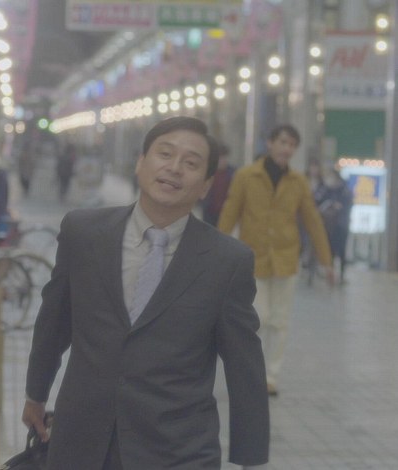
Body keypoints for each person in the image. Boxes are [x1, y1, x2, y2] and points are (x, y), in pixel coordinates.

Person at [22, 117, 269, 470]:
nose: (174, 168)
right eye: (165, 154)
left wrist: (251, 457)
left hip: (179, 449)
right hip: (82, 440)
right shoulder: (83, 233)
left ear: (205, 185)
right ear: (140, 163)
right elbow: (55, 321)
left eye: (191, 163)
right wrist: (36, 393)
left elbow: (244, 364)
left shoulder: (226, 261)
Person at [217, 124, 334, 397]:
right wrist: (215, 254)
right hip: (253, 259)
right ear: (270, 143)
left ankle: (271, 376)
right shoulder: (247, 176)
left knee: (280, 322)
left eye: (292, 145)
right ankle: (250, 372)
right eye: (282, 142)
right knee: (258, 318)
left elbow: (313, 221)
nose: (287, 149)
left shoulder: (298, 181)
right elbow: (230, 213)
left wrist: (326, 261)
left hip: (285, 260)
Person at [313, 168, 353, 283]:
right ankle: (330, 272)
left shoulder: (345, 190)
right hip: (327, 224)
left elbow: (348, 204)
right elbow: (317, 201)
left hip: (341, 224)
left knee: (341, 250)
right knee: (329, 249)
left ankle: (341, 274)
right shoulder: (325, 189)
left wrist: (339, 207)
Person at [200, 143, 235, 226]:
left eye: (224, 157)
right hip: (209, 210)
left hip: (225, 211)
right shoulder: (209, 172)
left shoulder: (232, 173)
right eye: (220, 158)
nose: (222, 160)